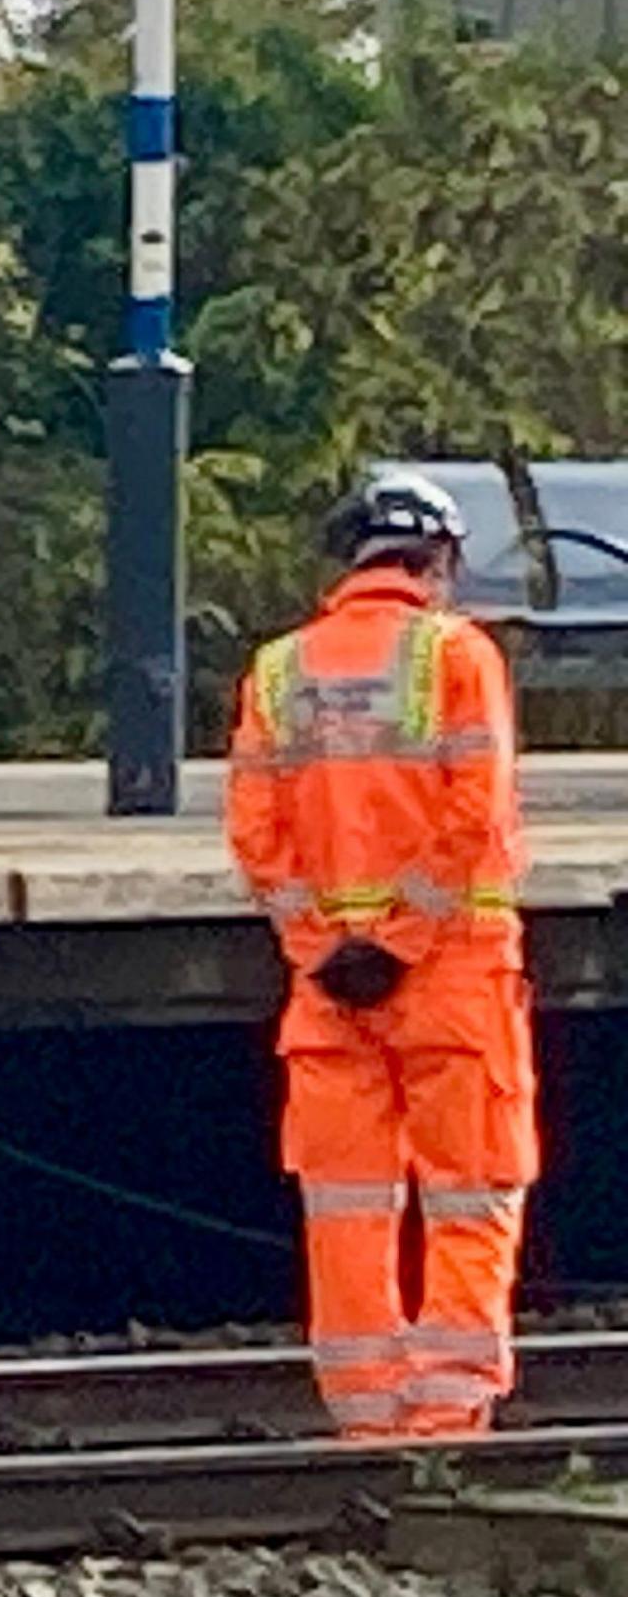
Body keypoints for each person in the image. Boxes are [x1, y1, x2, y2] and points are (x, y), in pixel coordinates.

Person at [226, 472, 535, 1440]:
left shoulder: (279, 669)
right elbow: (473, 812)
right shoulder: (457, 654)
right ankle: (445, 1422)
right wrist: (401, 939)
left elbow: (255, 830)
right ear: (438, 560)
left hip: (328, 991)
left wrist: (324, 946)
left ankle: (363, 1418)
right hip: (451, 977)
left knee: (347, 1205)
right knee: (470, 1190)